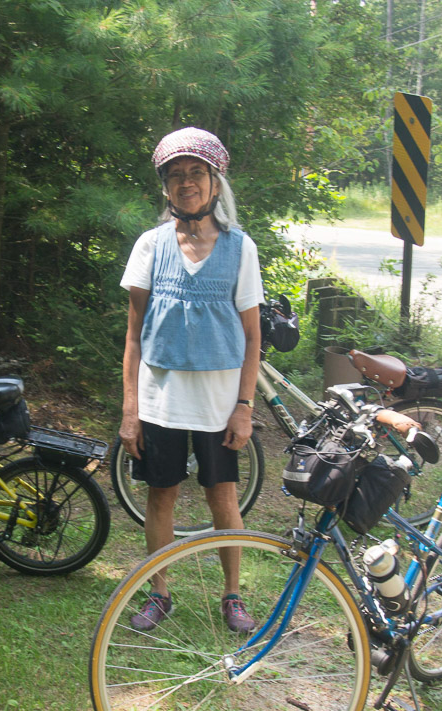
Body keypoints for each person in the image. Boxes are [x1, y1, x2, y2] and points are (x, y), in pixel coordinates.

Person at [119, 127, 264, 634]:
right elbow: (134, 335)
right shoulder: (150, 246)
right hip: (161, 400)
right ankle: (159, 593)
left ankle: (233, 595)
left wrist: (244, 406)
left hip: (219, 403)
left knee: (223, 495)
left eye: (196, 173)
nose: (186, 183)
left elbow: (253, 336)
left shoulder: (240, 249)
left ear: (215, 182)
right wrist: (130, 410)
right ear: (165, 186)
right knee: (161, 495)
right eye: (176, 175)